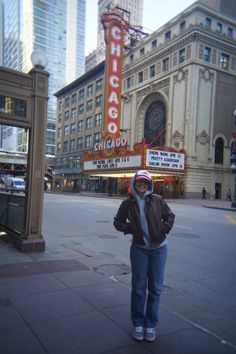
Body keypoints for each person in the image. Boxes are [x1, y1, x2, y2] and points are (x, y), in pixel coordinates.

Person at [113, 170, 175, 342]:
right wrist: (129, 228)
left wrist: (164, 229)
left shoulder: (158, 200)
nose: (142, 185)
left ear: (149, 184)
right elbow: (117, 221)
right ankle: (138, 324)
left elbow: (170, 216)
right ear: (134, 183)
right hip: (139, 249)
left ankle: (151, 324)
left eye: (145, 182)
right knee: (139, 288)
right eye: (139, 181)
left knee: (155, 288)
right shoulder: (128, 204)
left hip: (159, 249)